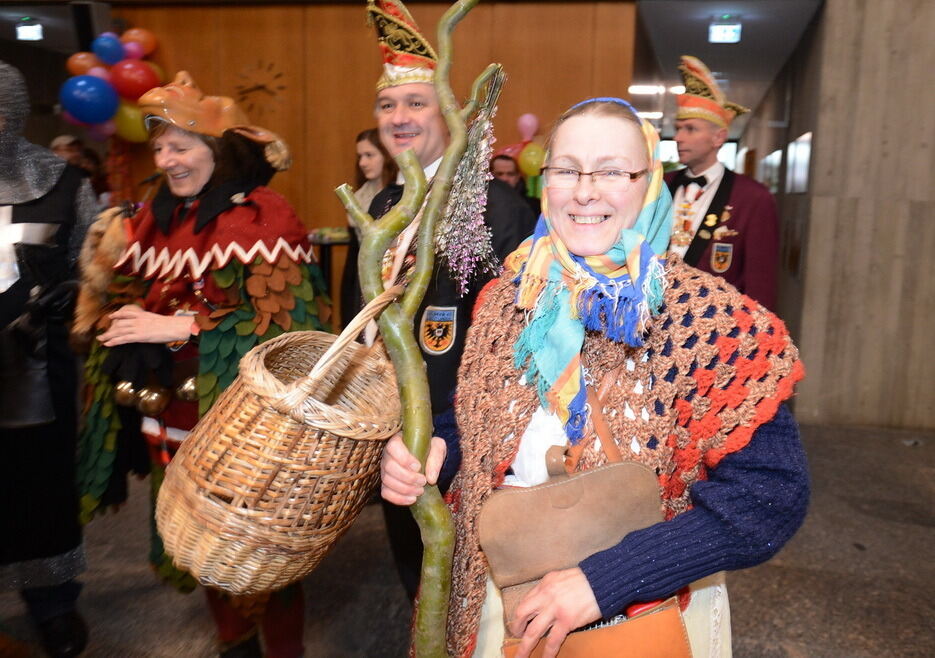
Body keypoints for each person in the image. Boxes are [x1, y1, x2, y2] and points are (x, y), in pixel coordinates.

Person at [382, 97, 809, 658]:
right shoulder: (503, 300)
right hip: (497, 592)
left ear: (648, 182)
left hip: (644, 609)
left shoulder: (710, 320)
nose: (586, 191)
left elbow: (770, 495)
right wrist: (435, 449)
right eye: (567, 169)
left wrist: (605, 580)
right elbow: (475, 423)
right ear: (547, 179)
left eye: (612, 170)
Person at [74, 71, 329, 658]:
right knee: (199, 542)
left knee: (263, 551)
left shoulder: (265, 215)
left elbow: (291, 335)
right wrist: (118, 314)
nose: (166, 158)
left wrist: (181, 326)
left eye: (181, 145)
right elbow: (124, 290)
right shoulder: (152, 219)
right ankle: (232, 645)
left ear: (215, 149)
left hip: (247, 429)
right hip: (170, 415)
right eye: (160, 146)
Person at [348, 0, 536, 601]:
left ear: (449, 112)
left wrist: (451, 438)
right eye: (387, 104)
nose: (398, 117)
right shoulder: (380, 207)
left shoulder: (498, 211)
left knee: (473, 590)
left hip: (465, 443)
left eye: (415, 102)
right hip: (392, 435)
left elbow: (516, 353)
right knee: (416, 576)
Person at [0, 61, 96, 658]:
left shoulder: (60, 180)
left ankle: (54, 603)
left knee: (41, 486)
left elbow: (96, 270)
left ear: (9, 114)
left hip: (36, 360)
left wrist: (74, 293)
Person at [666, 56, 780, 310]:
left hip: (717, 327)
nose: (678, 137)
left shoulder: (753, 198)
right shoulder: (662, 185)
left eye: (690, 129)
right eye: (677, 128)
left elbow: (760, 281)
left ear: (719, 137)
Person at [351, 127, 396, 231]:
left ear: (387, 155)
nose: (362, 163)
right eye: (360, 157)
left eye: (369, 155)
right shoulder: (358, 197)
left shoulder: (401, 193)